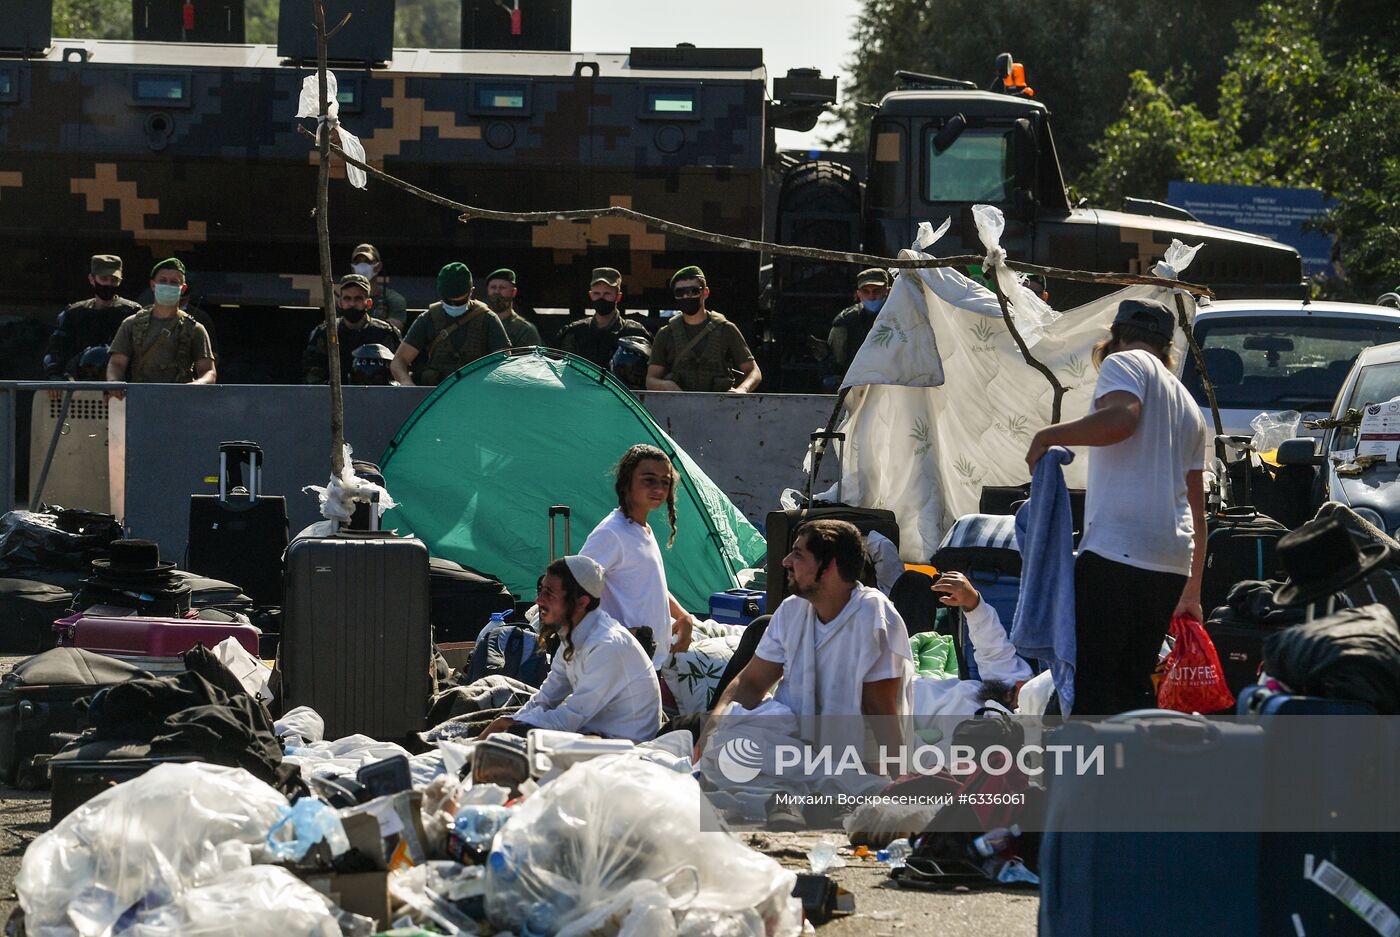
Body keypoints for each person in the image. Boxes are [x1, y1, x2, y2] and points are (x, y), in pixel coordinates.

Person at [1025, 298, 1208, 715]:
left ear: (1116, 338)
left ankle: (1087, 778)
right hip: (1171, 562)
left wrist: (1046, 436)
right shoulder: (1188, 405)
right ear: (1167, 347)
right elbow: (1198, 512)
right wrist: (1192, 590)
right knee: (1132, 688)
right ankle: (1129, 774)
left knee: (1090, 690)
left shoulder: (1124, 364)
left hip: (1117, 553)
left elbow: (1121, 421)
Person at [696, 519, 913, 826]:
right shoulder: (791, 610)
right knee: (734, 734)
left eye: (798, 555)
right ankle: (796, 798)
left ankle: (803, 800)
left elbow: (881, 708)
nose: (786, 562)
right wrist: (710, 734)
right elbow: (751, 682)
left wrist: (901, 779)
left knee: (844, 783)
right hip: (794, 746)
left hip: (851, 761)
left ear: (830, 566)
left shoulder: (873, 614)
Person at [477, 555, 663, 742]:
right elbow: (546, 698)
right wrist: (511, 721)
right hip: (592, 735)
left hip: (625, 748)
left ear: (582, 602)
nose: (539, 600)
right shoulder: (573, 637)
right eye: (541, 590)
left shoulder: (606, 646)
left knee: (509, 744)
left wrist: (511, 726)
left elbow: (568, 720)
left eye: (549, 593)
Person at [580, 444, 698, 662]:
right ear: (627, 482)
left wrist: (683, 616)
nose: (659, 488)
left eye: (665, 481)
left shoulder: (642, 530)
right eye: (649, 480)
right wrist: (617, 634)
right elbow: (574, 589)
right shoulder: (611, 533)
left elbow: (650, 586)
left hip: (649, 661)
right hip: (623, 663)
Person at [105, 258, 216, 395]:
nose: (168, 285)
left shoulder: (194, 328)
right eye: (162, 281)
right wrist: (114, 382)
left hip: (179, 401)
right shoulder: (132, 324)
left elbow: (208, 371)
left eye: (174, 282)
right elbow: (117, 363)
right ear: (152, 285)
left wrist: (196, 386)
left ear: (183, 288)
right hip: (140, 399)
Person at [390, 262, 509, 387]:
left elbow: (503, 361)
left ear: (471, 291)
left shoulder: (487, 319)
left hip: (475, 392)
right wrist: (406, 382)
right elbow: (399, 361)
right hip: (436, 393)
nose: (453, 305)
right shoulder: (428, 319)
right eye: (449, 301)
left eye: (460, 302)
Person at [646, 266, 761, 393]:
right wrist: (667, 386)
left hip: (719, 405)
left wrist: (741, 390)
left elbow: (753, 371)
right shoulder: (666, 333)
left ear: (705, 292)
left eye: (693, 291)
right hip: (679, 407)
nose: (686, 296)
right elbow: (651, 380)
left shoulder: (726, 329)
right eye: (680, 292)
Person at [43, 254, 142, 386]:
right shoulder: (73, 314)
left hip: (119, 387)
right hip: (79, 386)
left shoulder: (132, 313)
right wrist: (55, 378)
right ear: (92, 279)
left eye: (114, 280)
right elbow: (55, 351)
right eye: (104, 279)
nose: (108, 284)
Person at [302, 273, 402, 384]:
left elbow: (400, 370)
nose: (352, 303)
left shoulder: (385, 332)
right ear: (340, 302)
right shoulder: (326, 333)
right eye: (347, 298)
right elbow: (312, 374)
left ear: (368, 303)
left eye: (358, 298)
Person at [558, 267, 650, 369]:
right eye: (597, 293)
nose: (601, 298)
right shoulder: (575, 332)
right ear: (590, 295)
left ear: (618, 297)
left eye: (607, 294)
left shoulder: (634, 332)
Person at [820, 268, 891, 390]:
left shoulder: (900, 319)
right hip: (856, 386)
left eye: (876, 291)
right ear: (858, 294)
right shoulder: (846, 321)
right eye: (866, 292)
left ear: (888, 291)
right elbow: (835, 364)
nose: (871, 297)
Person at [350, 242, 408, 332]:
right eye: (358, 262)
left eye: (367, 262)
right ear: (353, 268)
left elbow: (394, 330)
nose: (362, 266)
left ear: (378, 267)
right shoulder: (345, 301)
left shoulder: (394, 299)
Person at [482, 268, 541, 347]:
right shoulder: (478, 324)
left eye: (502, 288)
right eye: (493, 287)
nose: (497, 292)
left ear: (513, 292)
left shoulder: (525, 330)